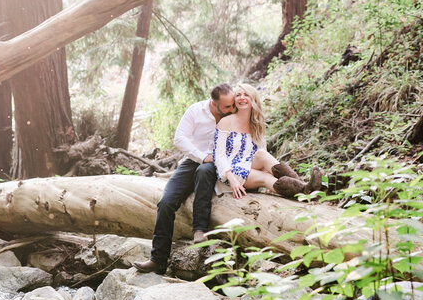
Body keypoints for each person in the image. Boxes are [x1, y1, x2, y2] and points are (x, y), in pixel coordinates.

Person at [133, 84, 236, 275]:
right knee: (165, 202)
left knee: (205, 171)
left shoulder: (233, 115)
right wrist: (201, 156)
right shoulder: (196, 111)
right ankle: (157, 260)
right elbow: (180, 138)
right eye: (228, 107)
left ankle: (199, 230)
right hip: (193, 160)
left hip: (218, 164)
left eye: (232, 105)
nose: (232, 109)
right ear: (214, 104)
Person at [214, 83, 320, 199]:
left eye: (246, 95)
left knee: (262, 154)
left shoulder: (256, 124)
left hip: (248, 164)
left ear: (253, 99)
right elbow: (218, 156)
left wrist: (270, 170)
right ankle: (303, 192)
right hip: (231, 172)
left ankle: (304, 186)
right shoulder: (225, 122)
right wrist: (232, 179)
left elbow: (264, 154)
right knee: (265, 178)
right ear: (234, 100)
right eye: (238, 95)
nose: (242, 98)